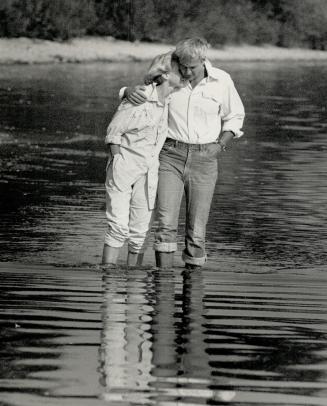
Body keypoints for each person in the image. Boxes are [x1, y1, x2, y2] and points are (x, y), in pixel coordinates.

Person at [124, 37, 245, 269]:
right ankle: (163, 284)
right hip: (170, 155)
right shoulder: (170, 79)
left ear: (203, 60)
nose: (187, 72)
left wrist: (219, 145)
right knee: (165, 225)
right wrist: (127, 90)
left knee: (197, 231)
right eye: (183, 66)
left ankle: (194, 286)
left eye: (193, 67)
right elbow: (143, 97)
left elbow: (235, 116)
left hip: (205, 159)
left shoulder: (222, 80)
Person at [102, 52, 186, 267]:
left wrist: (124, 90)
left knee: (140, 232)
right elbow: (113, 133)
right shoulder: (138, 98)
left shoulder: (171, 100)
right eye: (180, 70)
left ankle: (134, 281)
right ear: (165, 75)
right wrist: (119, 160)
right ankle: (108, 278)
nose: (185, 74)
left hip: (149, 172)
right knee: (118, 226)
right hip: (124, 169)